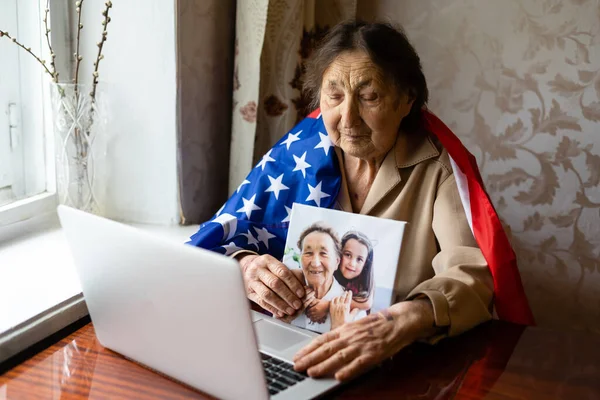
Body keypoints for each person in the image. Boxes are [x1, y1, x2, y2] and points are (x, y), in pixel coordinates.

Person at [191, 19, 533, 382]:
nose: (348, 117)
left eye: (369, 97)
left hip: (395, 359)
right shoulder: (297, 153)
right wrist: (246, 268)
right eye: (334, 96)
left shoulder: (437, 170)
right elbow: (226, 235)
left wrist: (404, 319)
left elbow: (470, 275)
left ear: (406, 100)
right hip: (290, 343)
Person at [281, 223, 347, 333]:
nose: (315, 263)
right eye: (308, 253)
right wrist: (282, 321)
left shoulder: (351, 309)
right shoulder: (285, 294)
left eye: (323, 253)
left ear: (336, 262)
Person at [306, 230, 374, 325]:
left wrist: (327, 306)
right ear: (338, 254)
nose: (352, 263)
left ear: (365, 265)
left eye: (359, 259)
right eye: (347, 255)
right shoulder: (328, 271)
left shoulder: (364, 283)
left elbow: (367, 303)